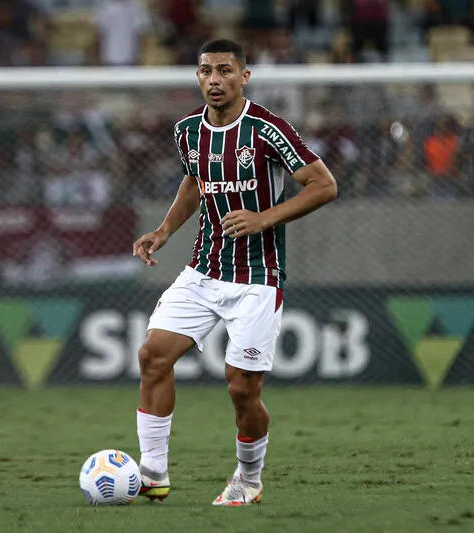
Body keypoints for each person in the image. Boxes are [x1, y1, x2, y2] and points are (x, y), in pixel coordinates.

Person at [131, 38, 337, 506]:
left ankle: (248, 479)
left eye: (225, 71)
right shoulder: (187, 131)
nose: (214, 80)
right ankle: (152, 473)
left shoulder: (268, 129)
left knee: (242, 387)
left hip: (258, 277)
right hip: (203, 269)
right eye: (206, 71)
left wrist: (264, 218)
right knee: (152, 356)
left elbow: (324, 185)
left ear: (244, 77)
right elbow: (194, 182)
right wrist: (164, 230)